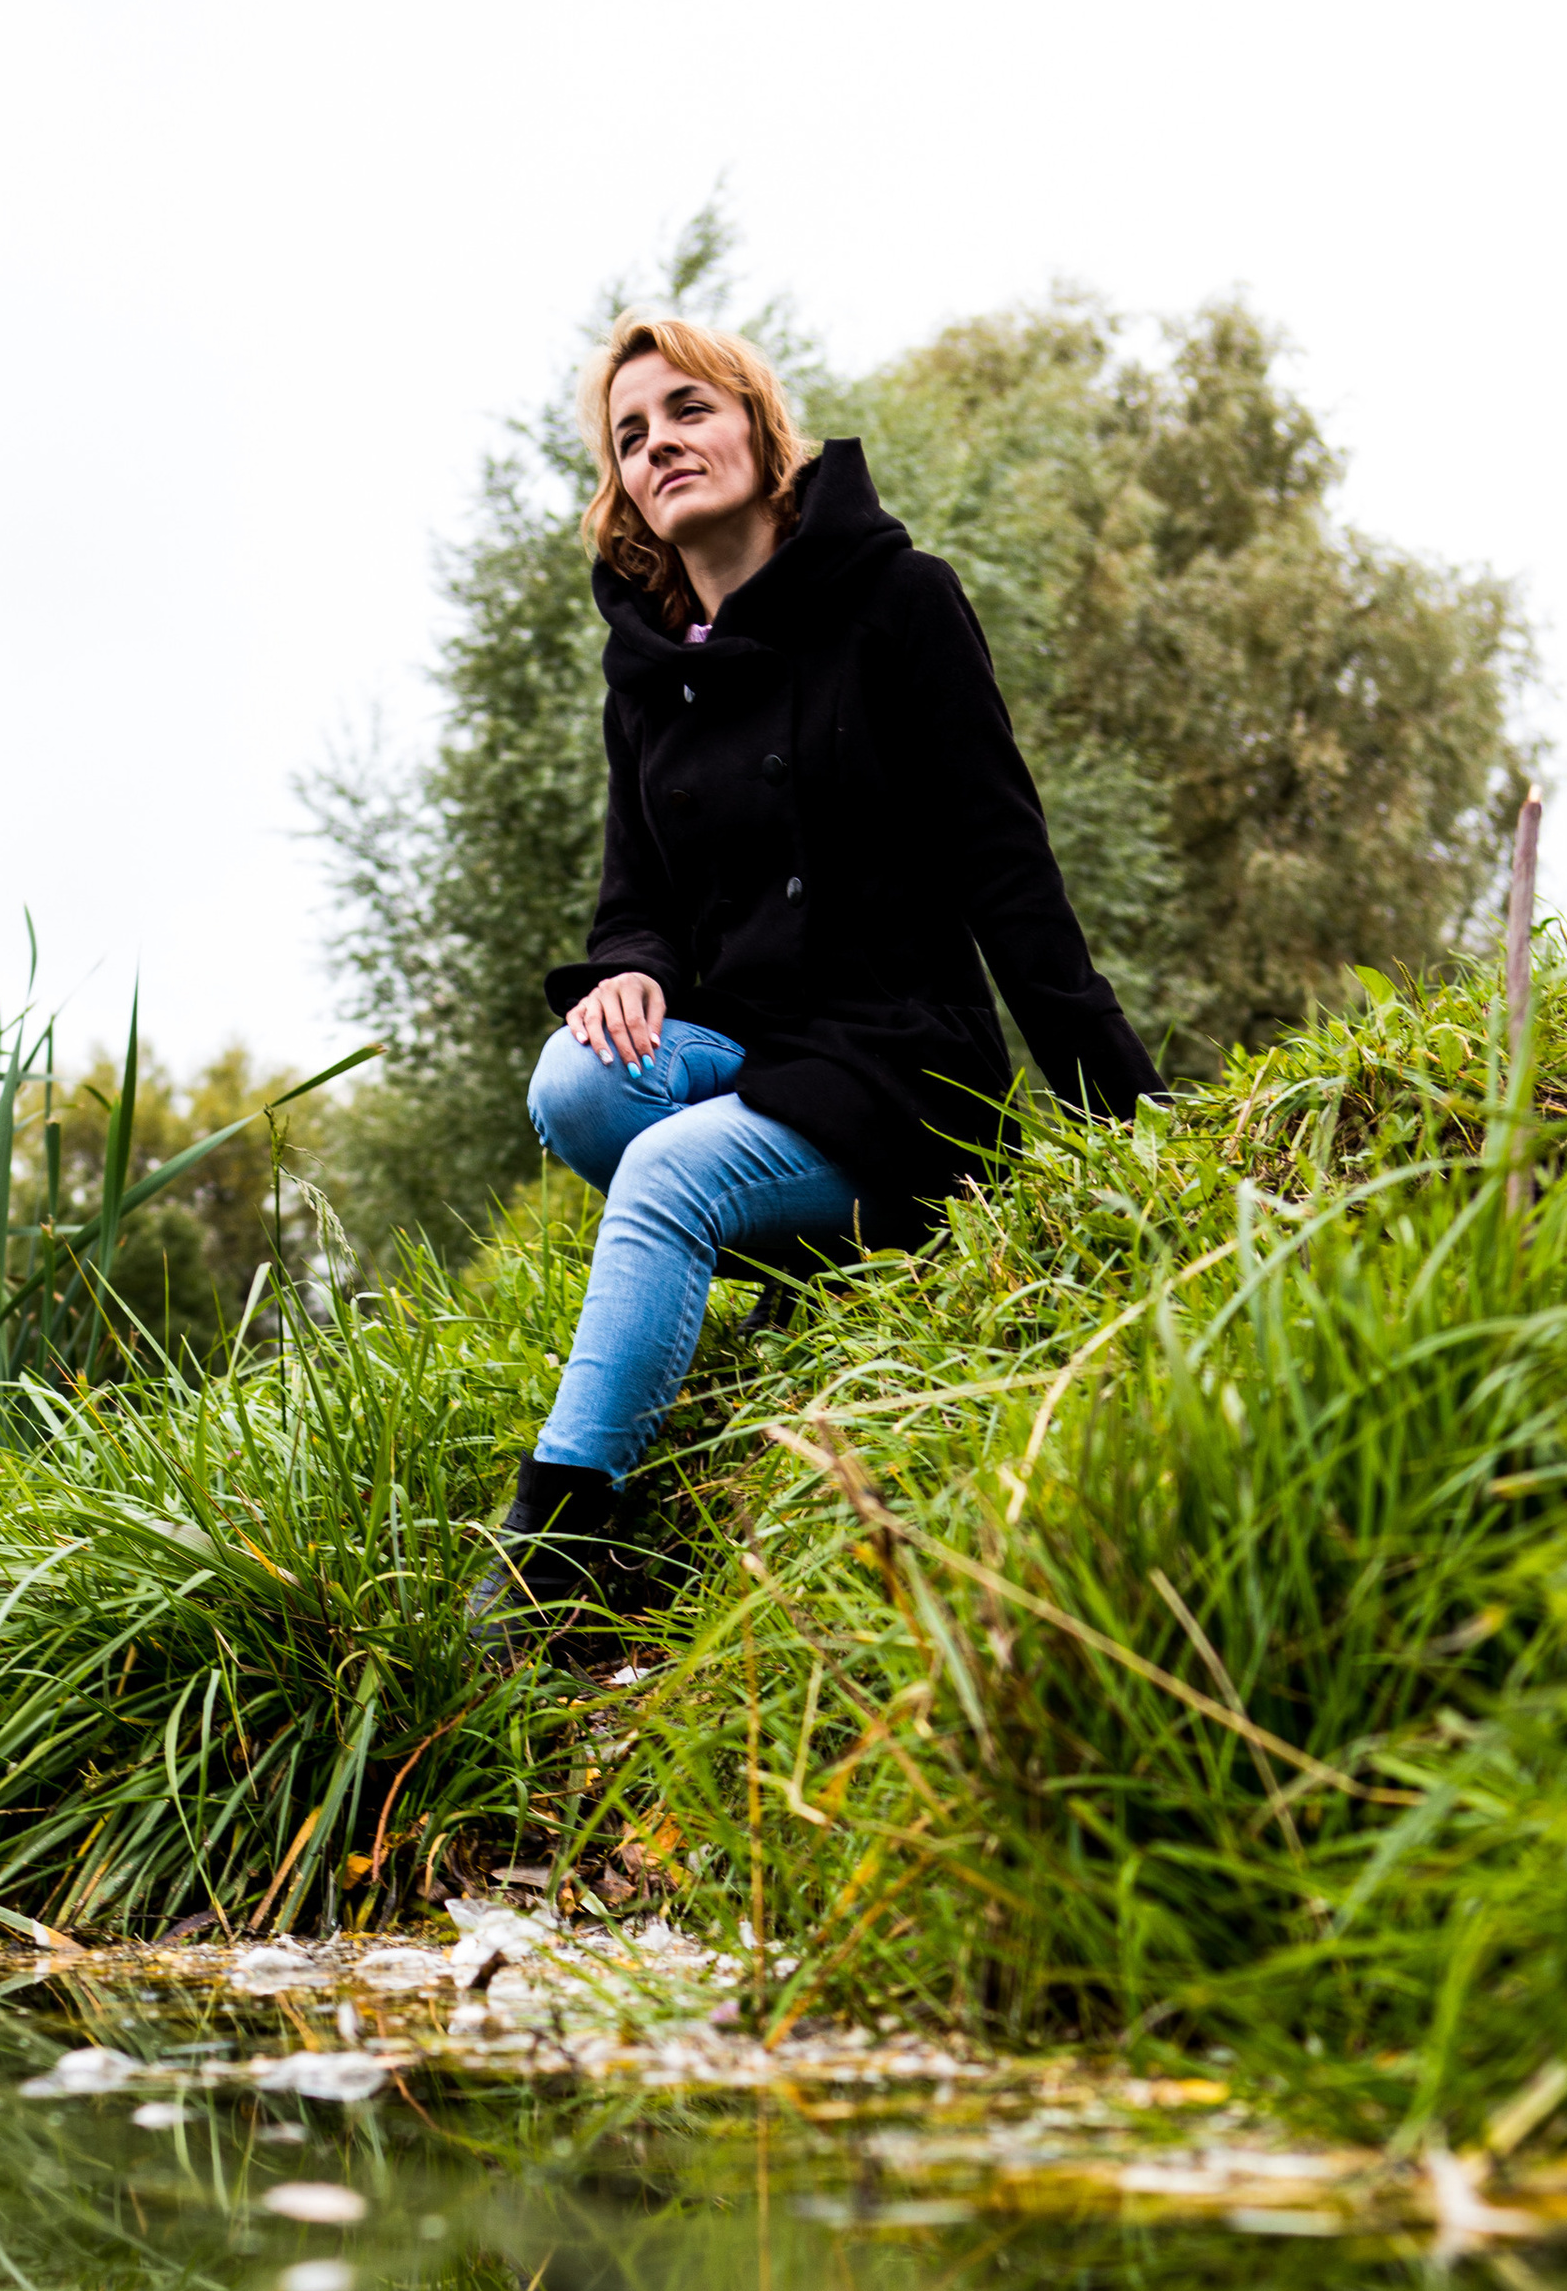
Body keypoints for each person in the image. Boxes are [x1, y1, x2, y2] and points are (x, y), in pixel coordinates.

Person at [473, 309, 1168, 1638]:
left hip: (902, 1063)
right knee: (576, 1083)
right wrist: (627, 977)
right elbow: (641, 909)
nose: (662, 444)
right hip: (752, 1047)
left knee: (670, 1174)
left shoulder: (900, 601)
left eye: (689, 410)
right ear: (621, 493)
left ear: (757, 427)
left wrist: (1132, 1125)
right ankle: (817, 1251)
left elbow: (1007, 872)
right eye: (631, 437)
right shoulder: (649, 681)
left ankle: (557, 1563)